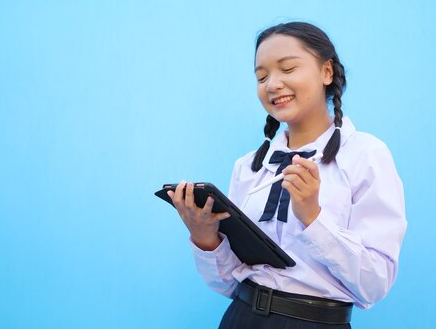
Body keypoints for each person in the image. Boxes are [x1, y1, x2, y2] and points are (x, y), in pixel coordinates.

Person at [168, 21, 407, 328]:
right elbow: (227, 284)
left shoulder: (366, 156)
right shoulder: (249, 166)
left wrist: (313, 218)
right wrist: (206, 240)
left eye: (288, 69)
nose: (272, 84)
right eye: (262, 76)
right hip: (241, 318)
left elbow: (375, 284)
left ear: (327, 72)